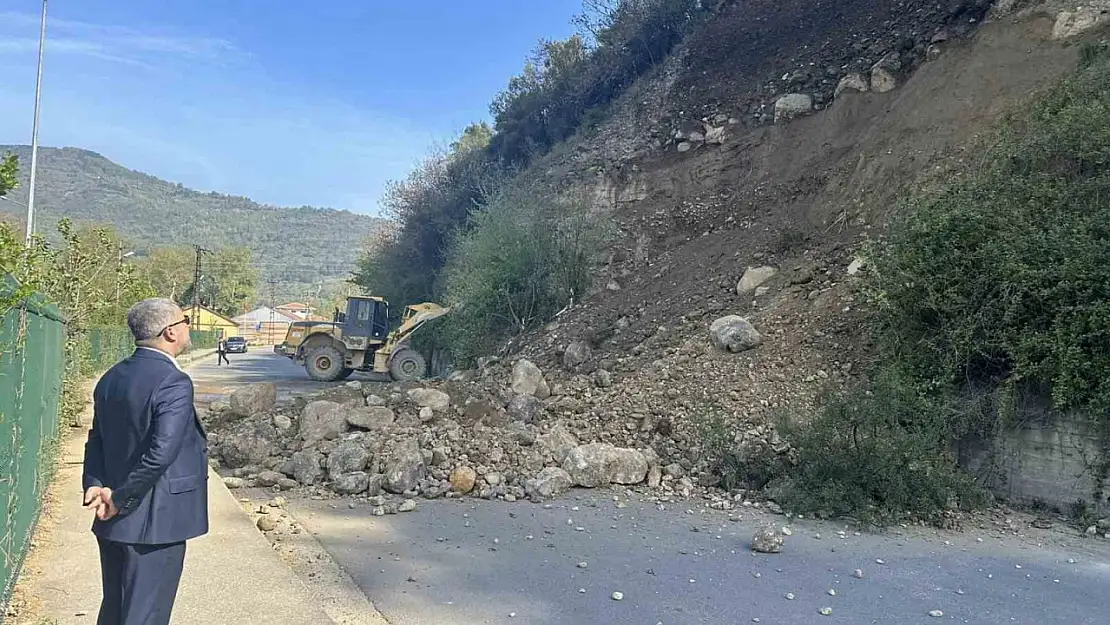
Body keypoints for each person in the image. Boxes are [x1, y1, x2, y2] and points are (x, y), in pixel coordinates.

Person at [82, 297, 209, 625]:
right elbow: (161, 452)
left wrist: (95, 487)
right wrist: (120, 499)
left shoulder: (111, 378)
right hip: (155, 522)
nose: (187, 328)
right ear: (170, 332)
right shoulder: (173, 382)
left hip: (112, 519)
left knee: (115, 609)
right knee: (146, 615)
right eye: (185, 322)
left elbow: (96, 439)